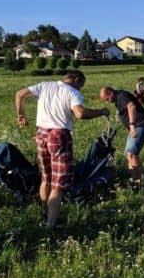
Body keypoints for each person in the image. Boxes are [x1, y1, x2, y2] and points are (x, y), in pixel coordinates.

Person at [15, 70, 109, 228]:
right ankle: (51, 225)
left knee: (46, 177)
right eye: (81, 85)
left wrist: (21, 115)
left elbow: (19, 94)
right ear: (77, 79)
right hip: (59, 136)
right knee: (58, 183)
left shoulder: (45, 85)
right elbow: (80, 114)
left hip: (41, 133)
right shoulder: (72, 92)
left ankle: (45, 213)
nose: (81, 89)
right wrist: (101, 111)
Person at [100, 86, 144, 187]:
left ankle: (140, 182)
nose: (107, 102)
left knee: (131, 154)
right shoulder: (118, 98)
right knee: (129, 155)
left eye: (107, 99)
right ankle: (136, 180)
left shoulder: (121, 96)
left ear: (110, 92)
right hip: (136, 126)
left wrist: (132, 126)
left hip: (140, 125)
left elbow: (131, 106)